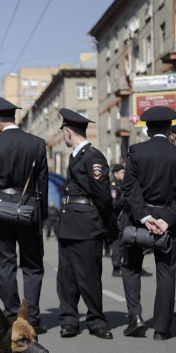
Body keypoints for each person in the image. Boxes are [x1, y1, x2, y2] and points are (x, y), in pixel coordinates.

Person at [121, 106, 176, 340]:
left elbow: (129, 188)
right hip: (168, 223)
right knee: (166, 272)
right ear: (169, 128)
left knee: (131, 267)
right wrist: (167, 219)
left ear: (148, 129)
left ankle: (135, 317)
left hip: (138, 221)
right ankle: (162, 329)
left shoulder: (136, 151)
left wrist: (144, 216)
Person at [0, 96, 48, 333]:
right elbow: (42, 183)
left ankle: (13, 314)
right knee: (32, 266)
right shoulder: (37, 143)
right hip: (29, 210)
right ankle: (32, 317)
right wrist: (42, 217)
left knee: (3, 265)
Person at [55, 109, 113, 339]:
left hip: (86, 224)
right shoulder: (76, 156)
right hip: (69, 222)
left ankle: (96, 320)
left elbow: (103, 197)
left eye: (63, 133)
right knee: (66, 277)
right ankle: (69, 320)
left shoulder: (93, 157)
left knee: (89, 275)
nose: (63, 137)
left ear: (68, 132)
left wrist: (105, 225)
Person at [109, 164, 125, 276]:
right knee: (117, 242)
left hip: (123, 218)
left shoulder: (121, 185)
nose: (124, 174)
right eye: (122, 172)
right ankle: (116, 266)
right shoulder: (113, 186)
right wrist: (124, 195)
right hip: (116, 219)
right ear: (115, 173)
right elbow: (115, 204)